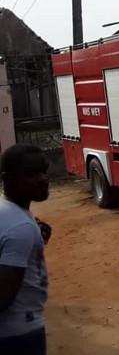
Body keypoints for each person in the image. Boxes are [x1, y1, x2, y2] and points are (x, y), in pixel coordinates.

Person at [0, 144, 51, 355]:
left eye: (44, 171)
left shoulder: (9, 212)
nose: (42, 178)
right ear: (7, 178)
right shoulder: (20, 227)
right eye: (30, 173)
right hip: (19, 335)